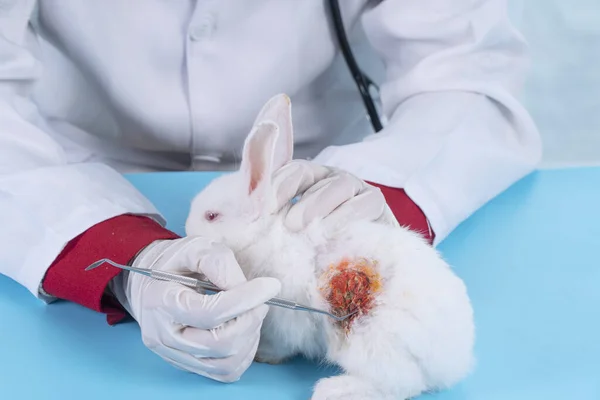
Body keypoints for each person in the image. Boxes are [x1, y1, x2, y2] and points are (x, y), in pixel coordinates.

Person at [0, 0, 541, 384]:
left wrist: (373, 195)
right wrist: (119, 252)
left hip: (318, 173)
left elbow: (468, 72)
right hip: (74, 167)